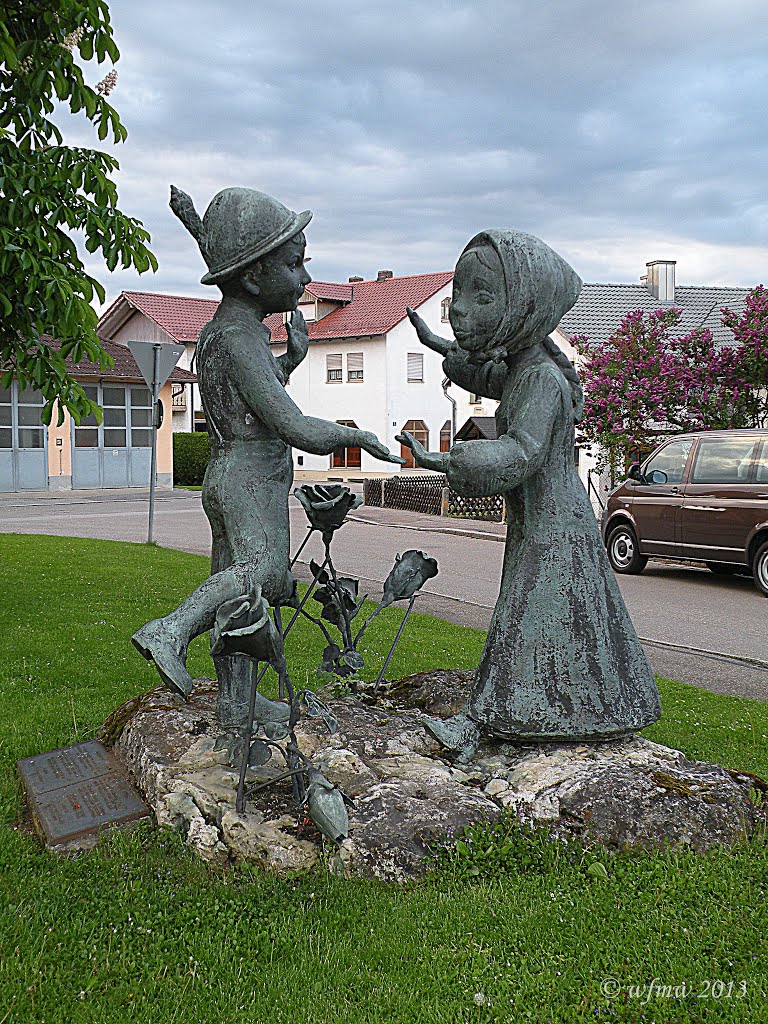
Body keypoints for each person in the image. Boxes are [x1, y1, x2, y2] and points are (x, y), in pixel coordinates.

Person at [132, 187, 401, 721]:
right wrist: (357, 438)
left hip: (227, 473)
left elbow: (251, 401)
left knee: (240, 601)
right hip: (251, 478)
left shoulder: (220, 334)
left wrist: (294, 360)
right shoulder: (241, 338)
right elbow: (289, 424)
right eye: (295, 263)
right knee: (265, 575)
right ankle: (171, 630)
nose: (305, 280)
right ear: (254, 277)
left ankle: (239, 706)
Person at [398, 229, 661, 761]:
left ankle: (486, 721)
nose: (461, 311)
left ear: (523, 308)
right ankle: (586, 709)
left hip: (553, 527)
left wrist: (445, 461)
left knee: (523, 620)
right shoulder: (524, 367)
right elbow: (484, 371)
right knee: (565, 627)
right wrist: (442, 348)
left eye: (483, 298)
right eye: (461, 296)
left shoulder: (540, 379)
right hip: (544, 522)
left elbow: (520, 454)